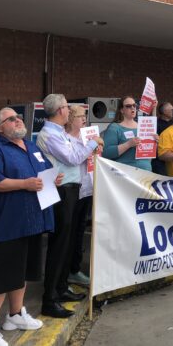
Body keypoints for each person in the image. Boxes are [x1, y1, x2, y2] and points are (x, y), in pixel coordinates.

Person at [0, 107, 61, 345]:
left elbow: (42, 172)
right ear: (0, 126)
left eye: (18, 117)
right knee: (0, 275)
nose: (17, 121)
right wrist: (24, 183)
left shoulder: (31, 146)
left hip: (32, 219)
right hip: (7, 223)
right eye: (11, 119)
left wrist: (52, 178)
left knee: (22, 270)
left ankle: (15, 314)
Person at [37, 94, 101, 318]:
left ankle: (61, 287)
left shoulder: (60, 133)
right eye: (66, 107)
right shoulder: (49, 135)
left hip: (72, 189)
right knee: (59, 243)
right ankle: (50, 297)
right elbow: (73, 158)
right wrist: (92, 143)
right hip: (61, 191)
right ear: (61, 110)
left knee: (66, 242)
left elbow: (76, 154)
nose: (68, 111)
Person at [64, 106, 96, 287]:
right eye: (79, 116)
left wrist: (97, 147)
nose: (84, 119)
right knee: (69, 233)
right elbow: (75, 158)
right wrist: (91, 145)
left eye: (85, 116)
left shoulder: (87, 137)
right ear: (70, 119)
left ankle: (75, 269)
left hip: (87, 189)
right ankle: (67, 271)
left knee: (79, 232)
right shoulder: (66, 138)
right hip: (72, 190)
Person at [102, 96, 154, 171]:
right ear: (122, 110)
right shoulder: (114, 127)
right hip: (125, 174)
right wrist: (128, 144)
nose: (132, 108)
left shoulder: (143, 126)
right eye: (128, 106)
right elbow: (106, 152)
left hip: (145, 171)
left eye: (134, 105)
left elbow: (149, 153)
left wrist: (154, 141)